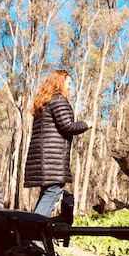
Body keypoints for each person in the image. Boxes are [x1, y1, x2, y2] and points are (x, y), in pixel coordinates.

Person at [24, 70, 92, 217]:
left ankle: (31, 233)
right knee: (53, 192)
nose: (70, 87)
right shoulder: (59, 100)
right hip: (52, 160)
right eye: (68, 84)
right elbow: (68, 126)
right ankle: (33, 235)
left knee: (47, 194)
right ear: (59, 83)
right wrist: (86, 124)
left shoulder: (45, 102)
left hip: (44, 160)